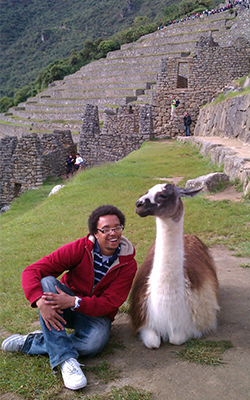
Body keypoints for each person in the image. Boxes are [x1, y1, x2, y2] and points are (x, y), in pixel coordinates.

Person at [1, 205, 137, 391]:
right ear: (95, 233)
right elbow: (32, 271)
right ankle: (66, 361)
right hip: (65, 307)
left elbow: (111, 302)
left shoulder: (127, 263)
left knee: (93, 344)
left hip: (96, 315)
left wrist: (75, 302)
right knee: (48, 283)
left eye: (117, 227)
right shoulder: (80, 249)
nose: (113, 233)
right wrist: (39, 300)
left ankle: (33, 342)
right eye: (105, 229)